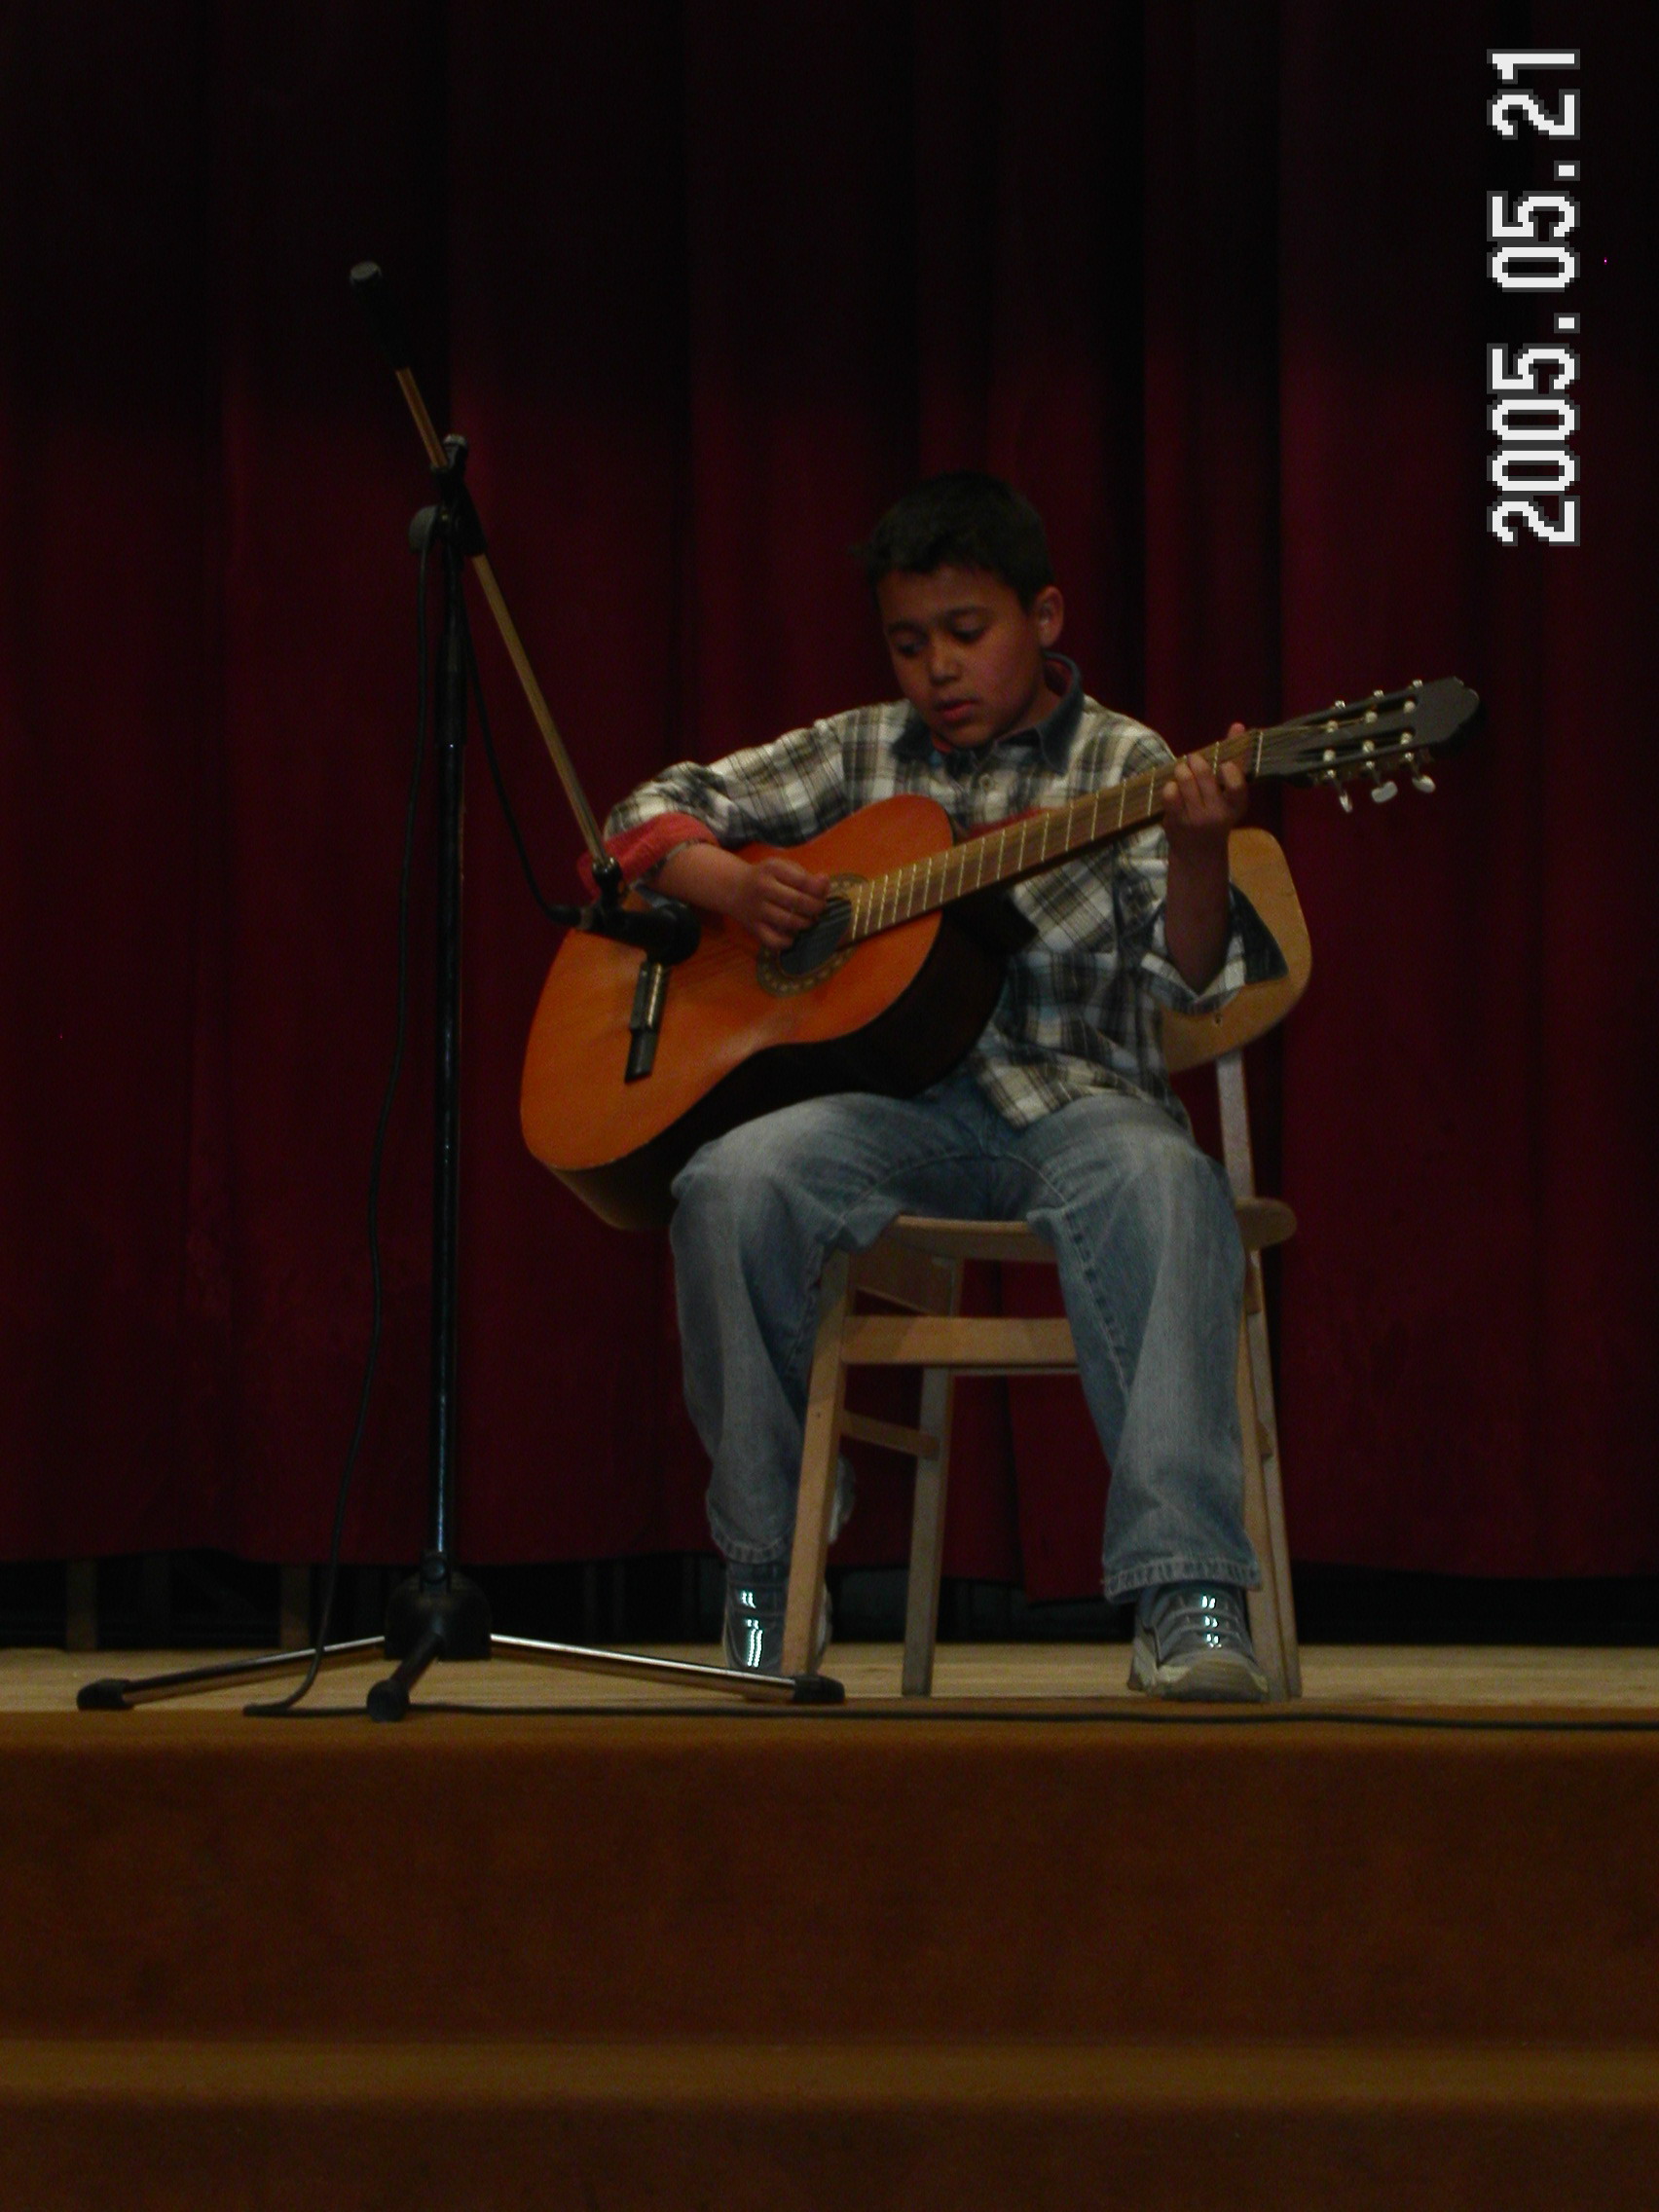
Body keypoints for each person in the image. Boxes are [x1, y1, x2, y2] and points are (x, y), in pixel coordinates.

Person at [594, 472, 1286, 1699]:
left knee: (1170, 1186)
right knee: (729, 1181)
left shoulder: (1124, 759)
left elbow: (1191, 981)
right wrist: (730, 885)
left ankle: (1187, 1593)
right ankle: (767, 1576)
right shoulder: (862, 748)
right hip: (890, 1109)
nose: (938, 671)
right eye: (909, 644)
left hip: (1080, 1104)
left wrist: (1196, 846)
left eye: (967, 633)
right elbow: (640, 818)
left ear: (1046, 616)